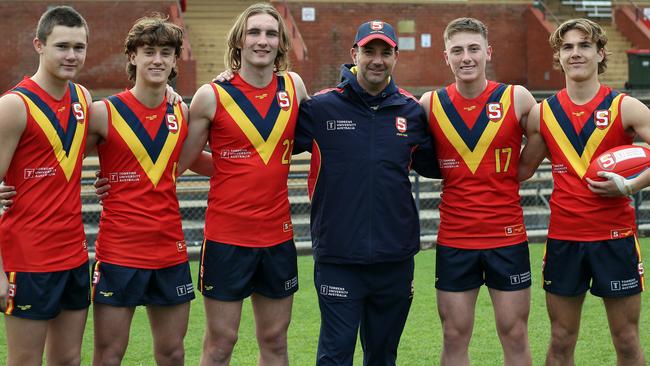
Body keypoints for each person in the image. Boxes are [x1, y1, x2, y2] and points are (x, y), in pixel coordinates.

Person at [293, 20, 439, 365]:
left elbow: (441, 165)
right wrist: (230, 76)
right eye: (369, 51)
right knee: (335, 355)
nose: (377, 59)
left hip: (395, 259)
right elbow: (267, 131)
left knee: (383, 356)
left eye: (385, 52)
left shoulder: (412, 111)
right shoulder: (320, 108)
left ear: (395, 57)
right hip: (338, 257)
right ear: (353, 54)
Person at [177, 3, 309, 365]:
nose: (262, 40)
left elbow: (318, 136)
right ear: (239, 40)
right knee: (220, 344)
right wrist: (228, 167)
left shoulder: (294, 87)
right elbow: (181, 162)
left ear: (281, 42)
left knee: (275, 342)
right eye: (254, 32)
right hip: (226, 238)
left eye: (271, 33)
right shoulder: (211, 95)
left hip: (278, 238)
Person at [519, 18, 648, 366]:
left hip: (615, 238)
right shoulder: (541, 114)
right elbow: (520, 171)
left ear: (600, 52)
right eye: (567, 47)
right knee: (561, 341)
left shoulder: (626, 107)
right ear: (559, 56)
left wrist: (631, 185)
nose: (575, 53)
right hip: (565, 239)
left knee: (626, 340)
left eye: (584, 45)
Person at [86, 15, 210, 365]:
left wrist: (263, 168)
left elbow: (201, 160)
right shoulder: (103, 112)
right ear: (132, 56)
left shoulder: (182, 112)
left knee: (172, 354)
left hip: (169, 251)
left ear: (174, 60)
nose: (157, 59)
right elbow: (61, 158)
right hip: (119, 252)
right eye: (149, 51)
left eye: (166, 52)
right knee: (109, 354)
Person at [419, 18, 536, 366]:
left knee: (514, 333)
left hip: (507, 237)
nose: (465, 57)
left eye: (473, 49)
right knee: (454, 335)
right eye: (457, 50)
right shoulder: (429, 104)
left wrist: (522, 170)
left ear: (488, 51)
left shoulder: (517, 98)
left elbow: (546, 136)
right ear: (446, 57)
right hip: (456, 239)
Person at [0, 6, 91, 365]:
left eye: (79, 47)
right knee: (25, 362)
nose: (72, 55)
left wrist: (172, 95)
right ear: (39, 45)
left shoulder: (83, 98)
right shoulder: (13, 105)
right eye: (62, 46)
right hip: (27, 258)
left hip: (73, 255)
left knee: (68, 360)